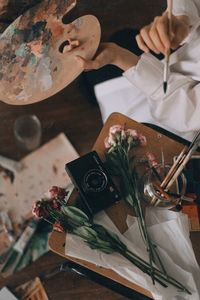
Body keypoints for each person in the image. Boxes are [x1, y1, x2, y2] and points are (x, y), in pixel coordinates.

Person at [76, 0, 200, 142]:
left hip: (164, 79)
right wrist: (182, 16)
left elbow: (185, 108)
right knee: (121, 40)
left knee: (111, 52)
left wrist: (118, 56)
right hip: (168, 65)